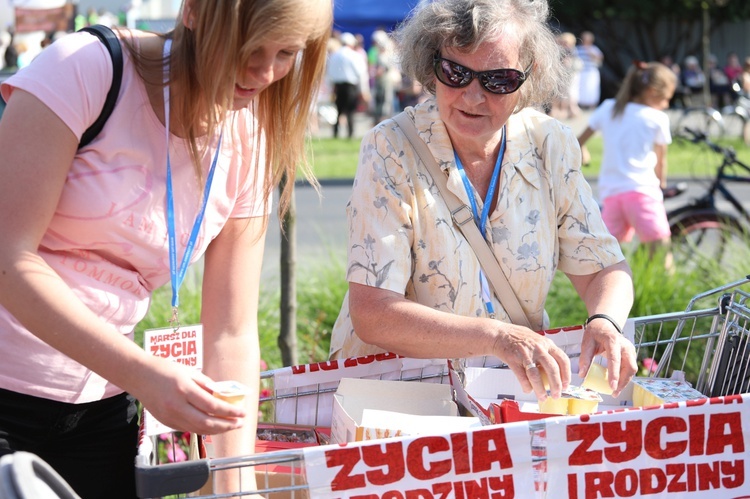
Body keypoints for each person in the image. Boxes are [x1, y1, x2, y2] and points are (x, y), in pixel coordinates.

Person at [0, 0, 332, 497]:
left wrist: (234, 483)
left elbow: (232, 332)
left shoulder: (251, 138)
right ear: (195, 11)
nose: (264, 72)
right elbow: (9, 259)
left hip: (104, 406)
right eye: (248, 47)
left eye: (286, 52)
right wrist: (143, 373)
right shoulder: (85, 69)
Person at [329, 0, 637, 404]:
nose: (473, 97)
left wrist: (605, 321)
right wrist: (496, 337)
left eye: (499, 80)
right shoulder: (390, 147)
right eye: (455, 72)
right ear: (430, 65)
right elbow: (373, 313)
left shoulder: (551, 144)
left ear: (529, 78)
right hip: (399, 399)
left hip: (503, 392)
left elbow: (603, 268)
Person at [577, 61, 677, 270]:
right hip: (642, 193)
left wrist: (583, 152)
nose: (667, 104)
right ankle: (665, 297)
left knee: (609, 260)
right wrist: (663, 183)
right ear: (651, 91)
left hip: (611, 196)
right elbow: (662, 160)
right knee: (661, 254)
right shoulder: (657, 118)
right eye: (666, 98)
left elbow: (579, 141)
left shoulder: (609, 108)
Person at [326, 32, 370, 138]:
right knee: (350, 111)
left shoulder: (334, 56)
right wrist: (364, 90)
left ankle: (335, 133)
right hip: (351, 87)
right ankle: (350, 133)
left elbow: (329, 73)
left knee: (338, 111)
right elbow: (361, 74)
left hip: (338, 87)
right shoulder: (354, 56)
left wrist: (330, 89)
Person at [576, 31, 603, 109]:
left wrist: (590, 52)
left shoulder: (594, 48)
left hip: (591, 72)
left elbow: (600, 59)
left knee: (592, 89)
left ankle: (592, 105)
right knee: (580, 89)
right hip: (581, 72)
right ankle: (580, 105)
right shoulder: (578, 48)